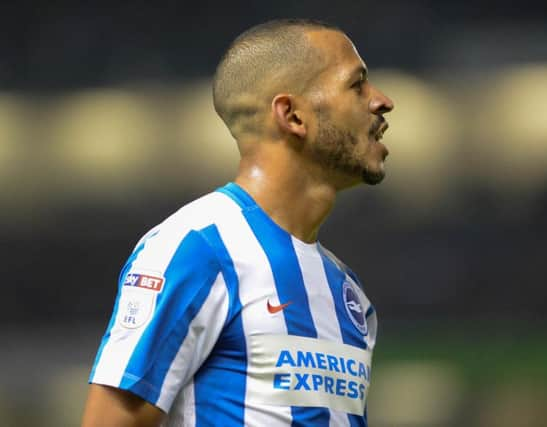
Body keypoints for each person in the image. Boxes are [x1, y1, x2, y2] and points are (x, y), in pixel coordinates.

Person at [81, 18, 394, 427]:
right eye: (357, 85)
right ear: (292, 115)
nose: (382, 101)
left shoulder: (349, 294)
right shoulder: (197, 248)